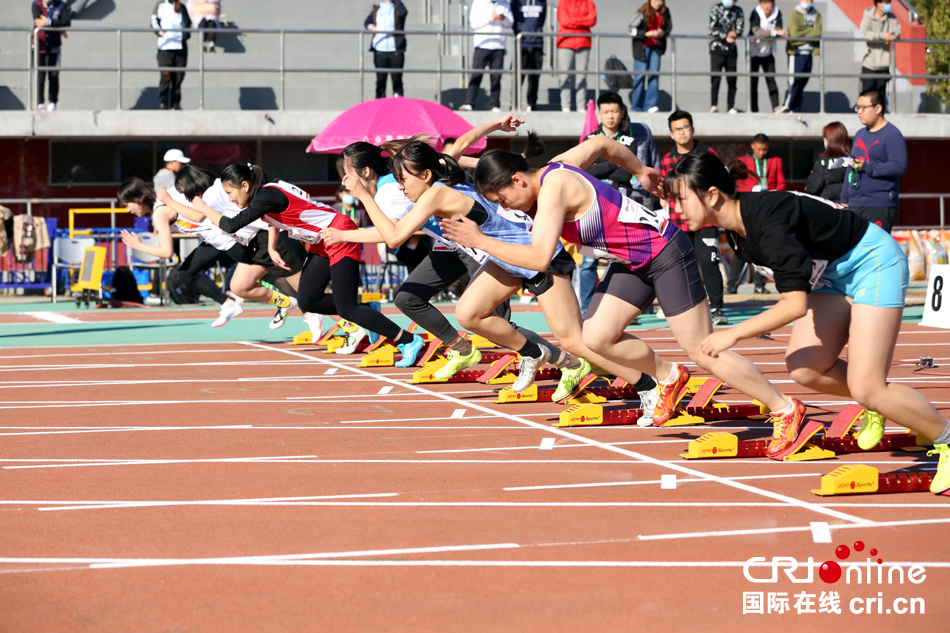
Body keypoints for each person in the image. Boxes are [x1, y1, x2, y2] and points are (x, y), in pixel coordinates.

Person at [444, 135, 806, 452]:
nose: (505, 207)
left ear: (519, 180)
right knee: (596, 337)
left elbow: (540, 258)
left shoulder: (554, 187)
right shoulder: (557, 166)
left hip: (665, 253)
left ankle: (784, 408)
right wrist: (641, 171)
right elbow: (602, 144)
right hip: (631, 261)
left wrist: (479, 241)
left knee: (702, 349)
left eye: (502, 199)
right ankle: (667, 377)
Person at [667, 151, 950, 494]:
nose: (675, 209)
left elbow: (795, 305)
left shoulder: (767, 221)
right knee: (805, 367)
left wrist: (732, 334)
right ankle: (877, 403)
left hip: (872, 261)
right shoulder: (737, 230)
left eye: (680, 199)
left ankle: (944, 437)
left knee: (868, 386)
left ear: (712, 195)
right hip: (831, 274)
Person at [341, 135, 636, 405]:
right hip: (504, 262)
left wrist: (363, 196)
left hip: (536, 260)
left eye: (403, 179)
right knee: (470, 314)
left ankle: (649, 379)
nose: (400, 187)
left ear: (426, 175)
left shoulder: (436, 194)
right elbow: (460, 154)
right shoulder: (441, 181)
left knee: (577, 340)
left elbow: (394, 237)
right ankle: (536, 353)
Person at [325, 119, 561, 374]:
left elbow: (391, 235)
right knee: (408, 298)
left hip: (480, 246)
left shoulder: (390, 192)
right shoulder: (418, 178)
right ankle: (462, 349)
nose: (345, 181)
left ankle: (561, 359)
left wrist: (346, 233)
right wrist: (495, 125)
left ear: (366, 172)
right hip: (451, 243)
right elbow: (461, 143)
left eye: (347, 173)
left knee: (493, 324)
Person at [182, 163, 418, 356]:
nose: (229, 199)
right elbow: (276, 219)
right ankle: (367, 310)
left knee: (346, 307)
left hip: (339, 234)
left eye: (230, 193)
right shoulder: (267, 194)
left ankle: (408, 340)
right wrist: (272, 248)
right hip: (321, 241)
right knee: (308, 300)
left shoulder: (265, 196)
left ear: (245, 185)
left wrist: (203, 207)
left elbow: (232, 224)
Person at [117, 174, 294, 328]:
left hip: (226, 237)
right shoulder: (167, 194)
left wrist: (137, 245)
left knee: (271, 273)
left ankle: (305, 307)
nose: (128, 210)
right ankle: (229, 305)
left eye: (127, 204)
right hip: (212, 241)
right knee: (185, 274)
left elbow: (167, 252)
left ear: (138, 198)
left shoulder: (159, 212)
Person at [158, 165, 312, 330]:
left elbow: (198, 216)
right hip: (255, 239)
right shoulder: (219, 187)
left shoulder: (212, 193)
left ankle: (317, 316)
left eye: (183, 191)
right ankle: (294, 306)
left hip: (264, 238)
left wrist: (169, 201)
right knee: (242, 284)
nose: (230, 198)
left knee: (299, 287)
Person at [580, 91, 660, 313]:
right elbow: (585, 171)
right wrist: (613, 166)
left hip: (623, 206)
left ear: (622, 112)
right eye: (605, 112)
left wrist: (602, 168)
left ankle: (629, 308)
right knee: (588, 260)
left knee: (626, 256)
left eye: (614, 111)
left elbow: (626, 174)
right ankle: (586, 308)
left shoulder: (630, 140)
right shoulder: (589, 140)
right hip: (593, 207)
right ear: (599, 113)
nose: (610, 116)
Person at [658, 110, 727, 325]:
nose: (682, 132)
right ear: (671, 134)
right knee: (679, 266)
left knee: (709, 262)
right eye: (677, 129)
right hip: (679, 222)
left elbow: (722, 181)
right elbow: (663, 191)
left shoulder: (708, 154)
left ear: (693, 129)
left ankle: (717, 309)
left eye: (685, 127)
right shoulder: (667, 160)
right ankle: (685, 309)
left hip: (707, 219)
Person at [841, 89, 907, 233]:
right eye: (857, 108)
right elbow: (851, 167)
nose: (859, 112)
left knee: (873, 251)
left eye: (863, 107)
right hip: (855, 204)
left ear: (878, 108)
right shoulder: (860, 134)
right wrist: (845, 199)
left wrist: (868, 167)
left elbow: (899, 166)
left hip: (879, 205)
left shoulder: (892, 134)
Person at [727, 133, 784, 293]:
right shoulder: (743, 161)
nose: (762, 152)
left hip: (769, 207)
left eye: (765, 149)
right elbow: (737, 184)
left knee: (765, 246)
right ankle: (733, 284)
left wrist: (771, 193)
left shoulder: (776, 161)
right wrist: (752, 191)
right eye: (759, 149)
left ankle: (760, 285)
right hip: (749, 206)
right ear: (752, 146)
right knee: (741, 246)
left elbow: (781, 183)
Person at [460, 0, 513, 112]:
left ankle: (495, 105)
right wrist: (491, 17)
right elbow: (474, 23)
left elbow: (510, 23)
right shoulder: (478, 3)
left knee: (496, 78)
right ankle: (469, 103)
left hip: (499, 45)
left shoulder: (504, 3)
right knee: (476, 74)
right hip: (482, 44)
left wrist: (503, 18)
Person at [628, 0, 671, 114]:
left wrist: (662, 33)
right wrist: (647, 34)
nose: (658, 3)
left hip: (656, 49)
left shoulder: (665, 12)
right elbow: (631, 29)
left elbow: (668, 28)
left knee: (654, 76)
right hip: (642, 48)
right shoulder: (642, 12)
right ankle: (636, 107)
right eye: (655, 0)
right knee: (639, 77)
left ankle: (650, 105)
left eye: (660, 1)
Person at [780, 0, 821, 114]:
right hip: (796, 53)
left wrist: (802, 33)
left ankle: (796, 108)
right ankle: (787, 106)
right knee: (794, 81)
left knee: (803, 81)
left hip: (809, 53)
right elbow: (794, 34)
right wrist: (810, 33)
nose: (807, 2)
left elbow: (818, 33)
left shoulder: (816, 14)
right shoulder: (795, 13)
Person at [556, 0, 597, 113]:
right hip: (565, 42)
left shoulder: (588, 2)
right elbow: (564, 21)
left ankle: (581, 107)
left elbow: (592, 20)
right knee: (565, 76)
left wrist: (573, 21)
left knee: (582, 77)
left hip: (583, 42)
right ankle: (566, 106)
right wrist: (583, 21)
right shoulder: (563, 2)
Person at [31, 0, 71, 112]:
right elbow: (38, 21)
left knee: (53, 76)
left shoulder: (61, 5)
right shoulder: (36, 4)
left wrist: (49, 23)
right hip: (39, 47)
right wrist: (57, 27)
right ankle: (40, 103)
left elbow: (66, 22)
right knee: (40, 75)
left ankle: (53, 102)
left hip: (54, 47)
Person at [151, 0, 192, 110]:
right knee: (165, 77)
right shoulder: (160, 6)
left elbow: (187, 23)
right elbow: (154, 21)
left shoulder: (181, 7)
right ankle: (163, 104)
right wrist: (163, 33)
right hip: (165, 48)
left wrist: (184, 35)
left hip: (180, 48)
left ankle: (175, 104)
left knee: (178, 78)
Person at [748, 0, 787, 113]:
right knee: (753, 83)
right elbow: (756, 31)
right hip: (754, 53)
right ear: (760, 4)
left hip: (769, 52)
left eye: (769, 3)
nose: (767, 6)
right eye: (764, 3)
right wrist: (773, 33)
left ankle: (776, 107)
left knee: (771, 81)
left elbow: (780, 30)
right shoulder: (755, 13)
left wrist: (773, 33)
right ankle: (753, 109)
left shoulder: (777, 13)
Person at [860, 0, 900, 110]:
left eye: (889, 2)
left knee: (880, 98)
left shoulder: (891, 18)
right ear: (878, 3)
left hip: (884, 65)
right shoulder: (868, 16)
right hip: (869, 64)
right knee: (866, 97)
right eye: (885, 2)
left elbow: (898, 31)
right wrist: (882, 36)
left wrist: (894, 36)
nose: (888, 5)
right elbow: (864, 34)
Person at [365, 0, 408, 99]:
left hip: (395, 50)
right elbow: (367, 22)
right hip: (380, 49)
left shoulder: (397, 7)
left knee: (397, 80)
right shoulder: (377, 8)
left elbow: (403, 13)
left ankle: (398, 107)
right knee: (380, 81)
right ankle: (380, 104)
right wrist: (373, 28)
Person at [708, 0, 743, 114]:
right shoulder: (715, 9)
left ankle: (731, 106)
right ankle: (714, 105)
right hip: (717, 49)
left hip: (731, 50)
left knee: (732, 79)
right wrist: (725, 36)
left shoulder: (738, 10)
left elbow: (740, 28)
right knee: (716, 79)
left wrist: (735, 34)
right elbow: (712, 29)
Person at [512, 0, 546, 112]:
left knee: (534, 77)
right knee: (518, 77)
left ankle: (532, 104)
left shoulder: (541, 2)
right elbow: (513, 20)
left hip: (537, 44)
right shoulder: (517, 2)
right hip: (522, 44)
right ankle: (514, 104)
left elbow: (542, 19)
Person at [805, 121, 850, 203]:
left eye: (825, 138)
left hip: (828, 206)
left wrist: (812, 176)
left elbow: (812, 188)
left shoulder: (822, 162)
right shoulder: (853, 160)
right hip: (850, 206)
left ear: (829, 140)